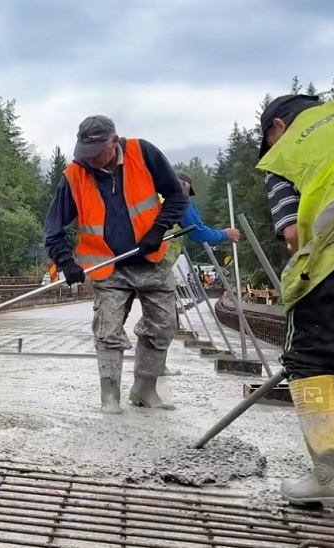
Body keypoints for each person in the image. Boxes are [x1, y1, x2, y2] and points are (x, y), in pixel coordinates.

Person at [44, 115, 188, 415]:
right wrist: (66, 262)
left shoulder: (143, 153)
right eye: (85, 153)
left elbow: (177, 197)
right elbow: (53, 228)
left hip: (152, 259)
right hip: (107, 266)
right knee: (108, 330)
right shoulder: (74, 175)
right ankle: (109, 396)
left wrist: (158, 229)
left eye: (97, 152)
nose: (91, 160)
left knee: (163, 326)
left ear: (114, 141)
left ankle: (145, 390)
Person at [255, 93, 334, 506]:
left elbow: (292, 233)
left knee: (311, 361)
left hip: (332, 261)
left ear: (278, 129)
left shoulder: (285, 153)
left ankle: (329, 473)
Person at [123, 169, 242, 376]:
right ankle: (151, 372)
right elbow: (199, 232)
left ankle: (149, 368)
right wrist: (225, 234)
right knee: (163, 319)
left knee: (148, 317)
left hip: (135, 262)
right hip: (156, 265)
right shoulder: (180, 201)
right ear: (183, 185)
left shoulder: (151, 197)